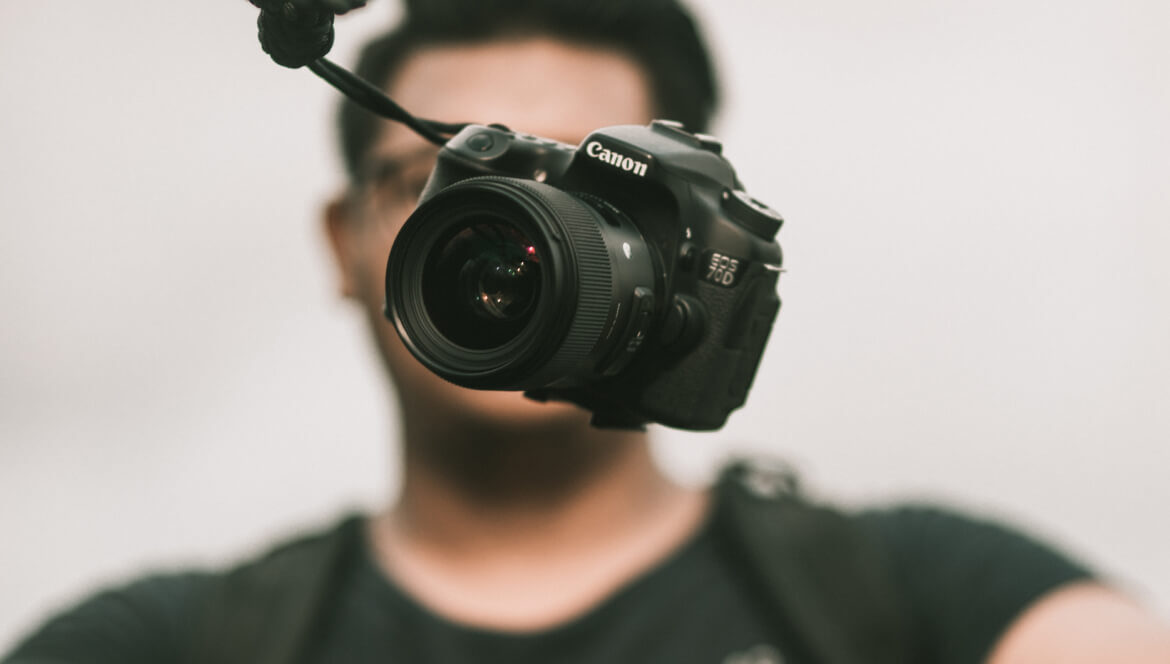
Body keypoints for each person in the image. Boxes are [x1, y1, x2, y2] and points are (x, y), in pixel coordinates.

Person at [4, 1, 1168, 662]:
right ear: (344, 246)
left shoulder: (924, 591)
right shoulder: (166, 642)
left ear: (703, 240)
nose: (510, 230)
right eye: (430, 178)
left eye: (579, 186)